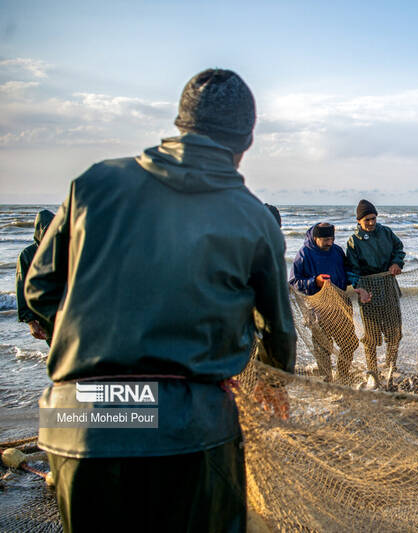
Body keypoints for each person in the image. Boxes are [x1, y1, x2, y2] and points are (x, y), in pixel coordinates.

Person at [24, 69, 296, 533]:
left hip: (77, 416)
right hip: (187, 422)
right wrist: (271, 384)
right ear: (246, 140)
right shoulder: (252, 215)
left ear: (179, 123)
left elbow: (37, 293)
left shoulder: (92, 183)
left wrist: (86, 341)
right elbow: (277, 330)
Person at [290, 222, 371, 382]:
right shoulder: (304, 253)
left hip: (340, 304)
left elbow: (349, 272)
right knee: (323, 348)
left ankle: (342, 374)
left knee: (350, 343)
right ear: (315, 238)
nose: (330, 243)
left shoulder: (337, 251)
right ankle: (327, 381)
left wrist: (358, 287)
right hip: (316, 308)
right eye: (326, 240)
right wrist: (315, 282)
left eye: (332, 239)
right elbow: (293, 282)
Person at [345, 200, 405, 376]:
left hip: (388, 286)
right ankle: (372, 370)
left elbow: (399, 249)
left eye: (373, 219)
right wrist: (358, 288)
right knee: (371, 336)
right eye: (367, 220)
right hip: (367, 290)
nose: (371, 223)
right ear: (359, 221)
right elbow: (351, 269)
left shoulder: (386, 232)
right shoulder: (353, 241)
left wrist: (396, 263)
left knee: (395, 331)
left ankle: (391, 366)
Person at [16, 209, 54, 342]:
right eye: (47, 231)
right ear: (39, 231)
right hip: (44, 314)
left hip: (68, 312)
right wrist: (30, 321)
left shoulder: (64, 249)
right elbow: (22, 288)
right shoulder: (27, 255)